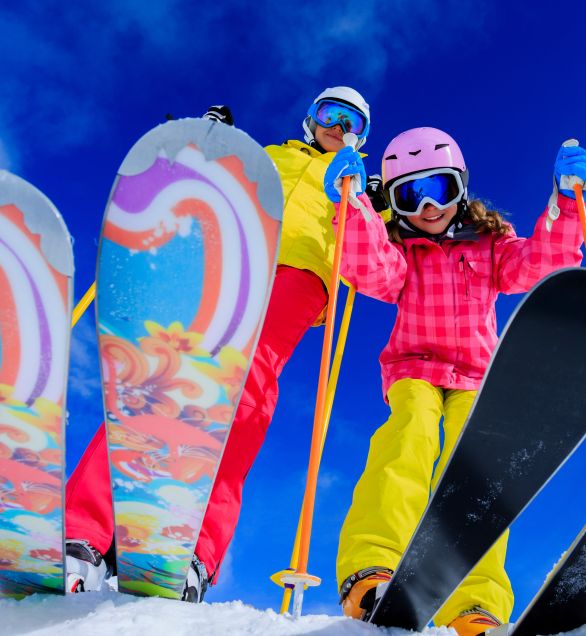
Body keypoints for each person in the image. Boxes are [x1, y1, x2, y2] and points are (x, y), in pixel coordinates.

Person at [64, 86, 371, 601]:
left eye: (352, 123)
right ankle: (84, 531)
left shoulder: (353, 185)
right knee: (165, 373)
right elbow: (218, 185)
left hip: (300, 277)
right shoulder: (271, 158)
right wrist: (210, 145)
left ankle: (193, 552)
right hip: (234, 258)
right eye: (329, 113)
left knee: (245, 395)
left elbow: (380, 255)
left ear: (361, 139)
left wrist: (369, 203)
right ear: (309, 118)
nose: (337, 126)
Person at [322, 127, 586, 635]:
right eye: (410, 194)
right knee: (408, 441)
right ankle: (374, 567)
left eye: (440, 189)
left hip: (477, 378)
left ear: (462, 188)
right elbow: (369, 271)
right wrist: (355, 206)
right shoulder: (402, 252)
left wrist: (567, 206)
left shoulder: (491, 244)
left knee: (475, 477)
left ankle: (475, 604)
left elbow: (539, 265)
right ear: (396, 201)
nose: (428, 205)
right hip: (415, 368)